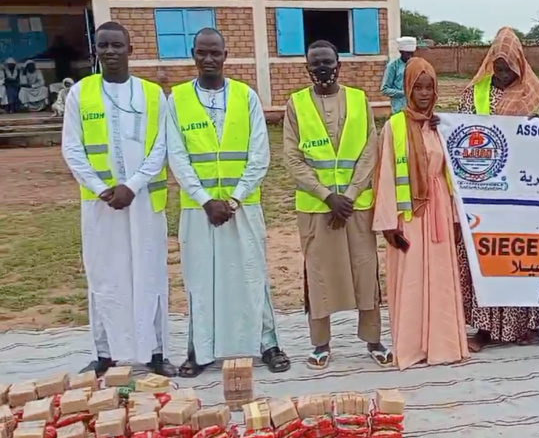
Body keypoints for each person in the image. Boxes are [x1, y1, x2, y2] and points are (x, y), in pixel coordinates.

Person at [166, 28, 290, 377]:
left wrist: (233, 198)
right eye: (202, 53)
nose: (209, 59)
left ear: (225, 55)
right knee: (199, 280)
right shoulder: (176, 100)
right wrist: (206, 200)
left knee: (253, 274)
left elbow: (259, 154)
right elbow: (177, 157)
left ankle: (268, 344)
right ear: (193, 54)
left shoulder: (245, 96)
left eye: (215, 53)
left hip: (243, 205)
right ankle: (198, 350)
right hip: (198, 208)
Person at [60, 21, 175, 377]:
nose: (110, 51)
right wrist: (101, 188)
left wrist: (134, 185)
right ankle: (105, 352)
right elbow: (72, 148)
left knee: (150, 274)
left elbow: (161, 147)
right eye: (103, 45)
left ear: (130, 49)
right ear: (95, 50)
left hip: (143, 203)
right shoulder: (80, 93)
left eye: (116, 45)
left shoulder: (153, 95)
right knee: (105, 277)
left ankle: (156, 351)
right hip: (101, 205)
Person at [284, 40, 392, 370]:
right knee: (319, 275)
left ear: (339, 65)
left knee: (365, 270)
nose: (322, 69)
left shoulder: (359, 101)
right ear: (307, 68)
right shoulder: (296, 104)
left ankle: (373, 340)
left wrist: (349, 193)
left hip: (356, 207)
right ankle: (320, 344)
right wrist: (327, 196)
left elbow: (369, 151)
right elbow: (291, 157)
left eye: (327, 62)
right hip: (318, 209)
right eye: (315, 64)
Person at [457, 26, 539, 351]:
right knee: (486, 258)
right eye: (497, 67)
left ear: (519, 63)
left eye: (508, 67)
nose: (501, 73)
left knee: (520, 257)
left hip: (524, 195)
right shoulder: (475, 93)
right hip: (485, 192)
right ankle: (484, 328)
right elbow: (462, 137)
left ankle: (521, 325)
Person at [373, 57, 469, 370]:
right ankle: (413, 347)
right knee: (413, 278)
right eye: (418, 87)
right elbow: (385, 174)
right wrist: (389, 223)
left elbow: (451, 174)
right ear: (407, 89)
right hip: (410, 214)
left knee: (440, 277)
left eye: (430, 87)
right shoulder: (394, 126)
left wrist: (455, 218)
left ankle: (443, 345)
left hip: (439, 209)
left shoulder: (439, 126)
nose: (425, 94)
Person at [458, 27, 539, 117]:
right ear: (493, 64)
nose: (504, 75)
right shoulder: (474, 92)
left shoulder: (538, 95)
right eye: (499, 69)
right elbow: (462, 124)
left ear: (518, 64)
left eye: (510, 69)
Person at [381, 36, 417, 113]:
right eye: (407, 53)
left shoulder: (416, 64)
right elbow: (385, 90)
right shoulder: (393, 66)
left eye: (411, 53)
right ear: (401, 52)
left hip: (415, 108)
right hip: (399, 109)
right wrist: (405, 93)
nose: (410, 56)